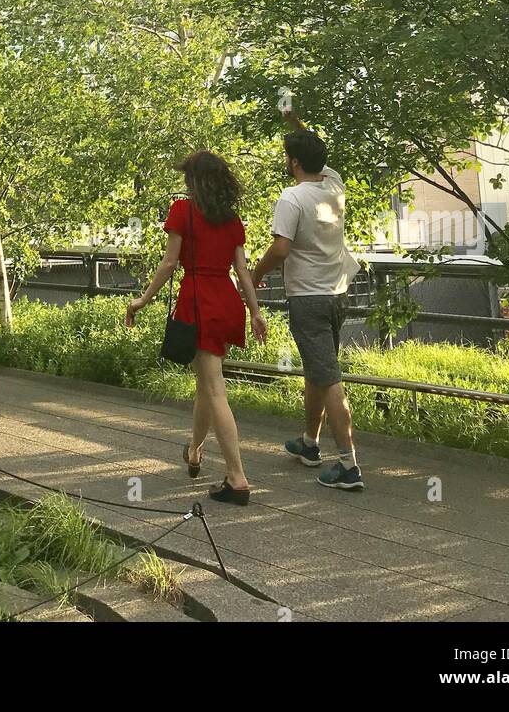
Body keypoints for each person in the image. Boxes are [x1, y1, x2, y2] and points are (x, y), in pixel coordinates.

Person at [126, 151, 267, 506]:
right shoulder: (232, 219)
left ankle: (237, 478)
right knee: (206, 384)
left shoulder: (182, 211)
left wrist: (142, 300)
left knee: (214, 388)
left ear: (194, 181)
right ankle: (195, 450)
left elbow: (170, 262)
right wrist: (255, 312)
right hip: (227, 301)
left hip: (198, 302)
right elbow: (242, 271)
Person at [250, 121, 365, 490]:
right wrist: (291, 120)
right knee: (318, 370)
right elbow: (318, 148)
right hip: (337, 295)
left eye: (288, 156)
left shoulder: (292, 198)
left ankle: (348, 465)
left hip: (308, 299)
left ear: (294, 162)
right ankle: (310, 444)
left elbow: (281, 248)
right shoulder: (334, 185)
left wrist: (254, 274)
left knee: (328, 378)